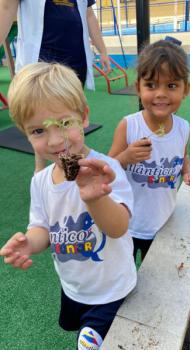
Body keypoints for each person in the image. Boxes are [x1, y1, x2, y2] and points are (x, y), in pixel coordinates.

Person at [0, 62, 136, 350]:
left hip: (110, 289)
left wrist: (96, 198)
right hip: (73, 287)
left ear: (84, 117)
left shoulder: (106, 168)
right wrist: (29, 244)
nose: (55, 140)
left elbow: (119, 227)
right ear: (25, 134)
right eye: (38, 130)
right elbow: (41, 227)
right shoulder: (40, 182)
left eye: (64, 123)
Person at [108, 39, 190, 262]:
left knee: (156, 273)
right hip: (129, 223)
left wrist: (188, 172)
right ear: (138, 87)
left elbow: (183, 156)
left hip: (163, 221)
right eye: (151, 85)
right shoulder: (129, 125)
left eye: (171, 86)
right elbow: (108, 166)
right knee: (127, 275)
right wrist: (126, 156)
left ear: (185, 89)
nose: (160, 94)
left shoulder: (183, 127)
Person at [0, 0, 111, 172]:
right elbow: (6, 8)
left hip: (75, 56)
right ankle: (40, 168)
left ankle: (73, 163)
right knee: (40, 115)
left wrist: (102, 50)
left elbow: (89, 15)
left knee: (71, 113)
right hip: (41, 54)